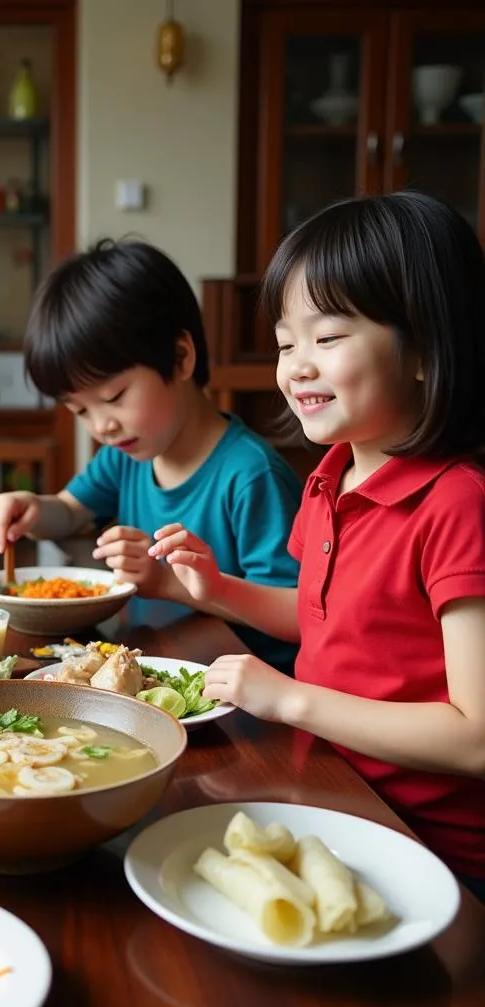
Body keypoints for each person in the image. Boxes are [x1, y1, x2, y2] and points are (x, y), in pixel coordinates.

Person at [149, 192, 485, 896]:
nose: (297, 365)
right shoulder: (331, 476)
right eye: (285, 343)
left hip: (433, 851)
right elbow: (328, 619)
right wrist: (221, 592)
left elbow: (475, 735)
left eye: (327, 338)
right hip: (333, 789)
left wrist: (292, 699)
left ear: (424, 349)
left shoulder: (458, 502)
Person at [0, 239, 301, 671]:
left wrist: (167, 583)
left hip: (249, 702)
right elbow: (71, 510)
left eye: (114, 397)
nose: (101, 426)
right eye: (80, 410)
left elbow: (298, 615)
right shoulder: (127, 456)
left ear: (181, 357)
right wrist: (32, 510)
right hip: (163, 664)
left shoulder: (249, 475)